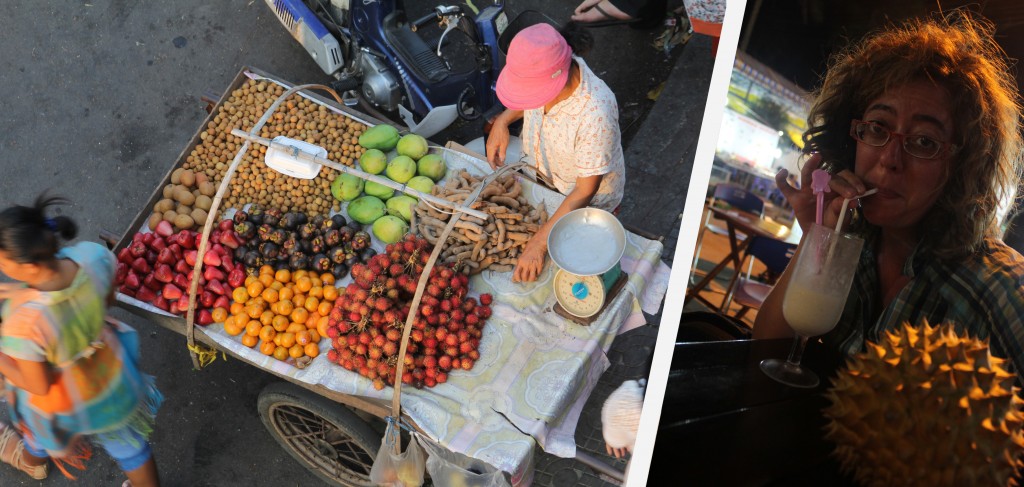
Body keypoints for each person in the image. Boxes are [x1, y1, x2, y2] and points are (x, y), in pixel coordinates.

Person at [752, 12, 1024, 373]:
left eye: (924, 142)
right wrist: (816, 238)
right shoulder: (853, 238)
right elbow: (765, 353)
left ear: (964, 166)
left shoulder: (1001, 290)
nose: (889, 159)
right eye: (877, 128)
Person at [0, 194, 162, 486]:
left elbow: (37, 384)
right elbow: (108, 296)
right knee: (129, 444)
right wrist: (31, 293)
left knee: (38, 432)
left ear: (30, 267)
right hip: (111, 382)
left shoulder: (23, 321)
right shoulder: (92, 257)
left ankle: (31, 462)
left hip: (63, 405)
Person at [486, 22, 626, 283]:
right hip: (547, 180)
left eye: (535, 93)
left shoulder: (596, 113)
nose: (532, 100)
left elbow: (585, 191)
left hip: (585, 203)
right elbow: (528, 99)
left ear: (559, 78)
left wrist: (539, 243)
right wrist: (503, 122)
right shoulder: (555, 69)